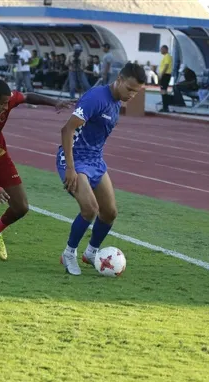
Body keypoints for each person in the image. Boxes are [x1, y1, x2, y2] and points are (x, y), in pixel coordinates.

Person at [0, 79, 73, 264]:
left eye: (7, 102)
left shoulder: (5, 100)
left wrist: (55, 102)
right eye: (2, 104)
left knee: (21, 207)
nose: (5, 107)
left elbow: (27, 96)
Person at [57, 62, 147, 275]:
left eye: (136, 92)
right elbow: (67, 129)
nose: (132, 95)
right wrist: (70, 167)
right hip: (75, 160)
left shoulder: (116, 102)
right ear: (119, 80)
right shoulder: (97, 98)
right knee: (90, 209)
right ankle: (69, 254)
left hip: (95, 161)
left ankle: (91, 252)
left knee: (110, 212)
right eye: (129, 89)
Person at [158, 45, 173, 112]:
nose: (161, 51)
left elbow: (166, 66)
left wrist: (161, 74)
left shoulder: (167, 56)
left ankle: (165, 107)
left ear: (166, 49)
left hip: (165, 75)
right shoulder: (165, 56)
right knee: (163, 90)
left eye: (162, 49)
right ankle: (165, 106)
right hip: (165, 75)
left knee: (163, 90)